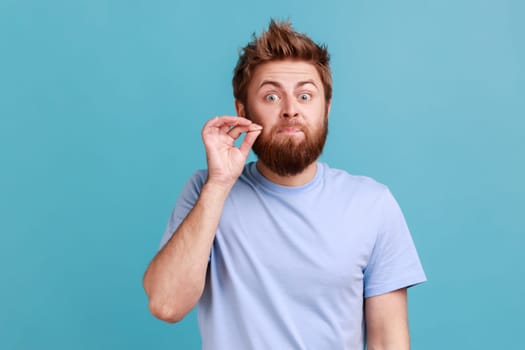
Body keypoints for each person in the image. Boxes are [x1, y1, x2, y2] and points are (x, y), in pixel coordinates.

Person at [143, 19, 426, 349]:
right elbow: (166, 305)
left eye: (305, 95)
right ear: (242, 111)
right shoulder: (206, 192)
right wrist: (219, 184)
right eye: (272, 97)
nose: (291, 111)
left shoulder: (372, 204)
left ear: (326, 109)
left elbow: (387, 342)